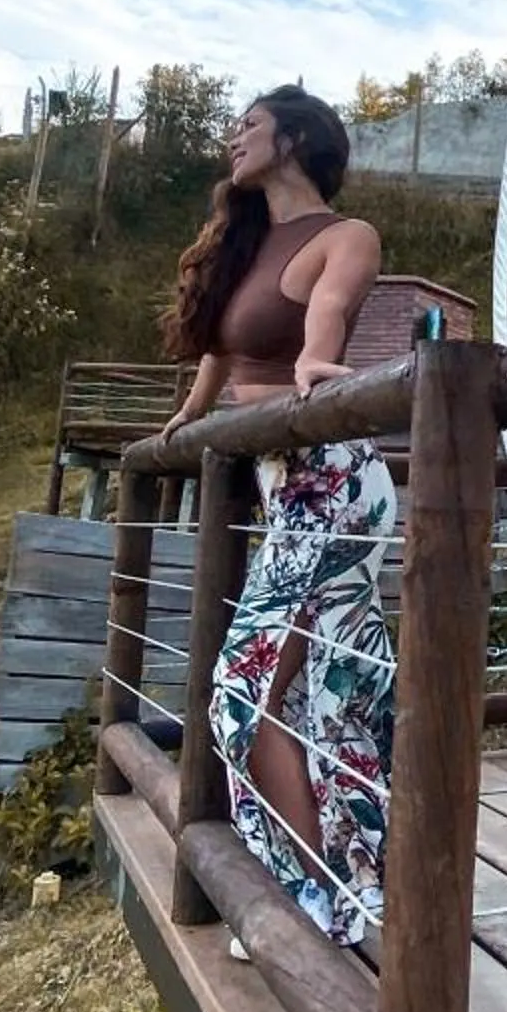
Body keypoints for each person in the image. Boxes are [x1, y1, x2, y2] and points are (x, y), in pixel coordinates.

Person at [153, 87, 392, 944]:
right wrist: (187, 420)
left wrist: (318, 365)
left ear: (293, 139)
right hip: (277, 482)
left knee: (242, 699)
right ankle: (363, 889)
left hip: (332, 484)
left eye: (248, 127)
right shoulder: (245, 240)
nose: (233, 140)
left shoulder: (346, 237)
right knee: (320, 702)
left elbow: (321, 329)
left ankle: (317, 900)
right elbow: (223, 347)